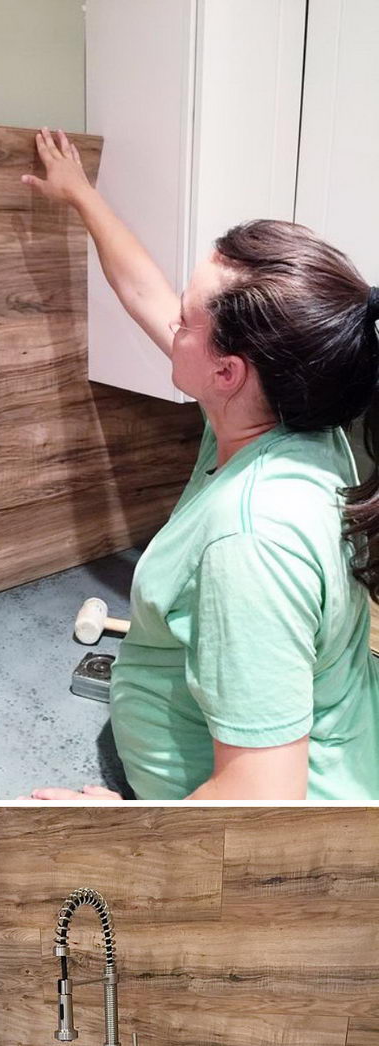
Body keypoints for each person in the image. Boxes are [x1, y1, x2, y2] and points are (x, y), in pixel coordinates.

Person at [22, 128, 379, 802]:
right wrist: (80, 196)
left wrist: (123, 830)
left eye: (186, 321)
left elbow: (263, 801)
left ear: (227, 371)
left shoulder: (254, 539)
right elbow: (146, 293)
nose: (171, 326)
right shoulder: (286, 418)